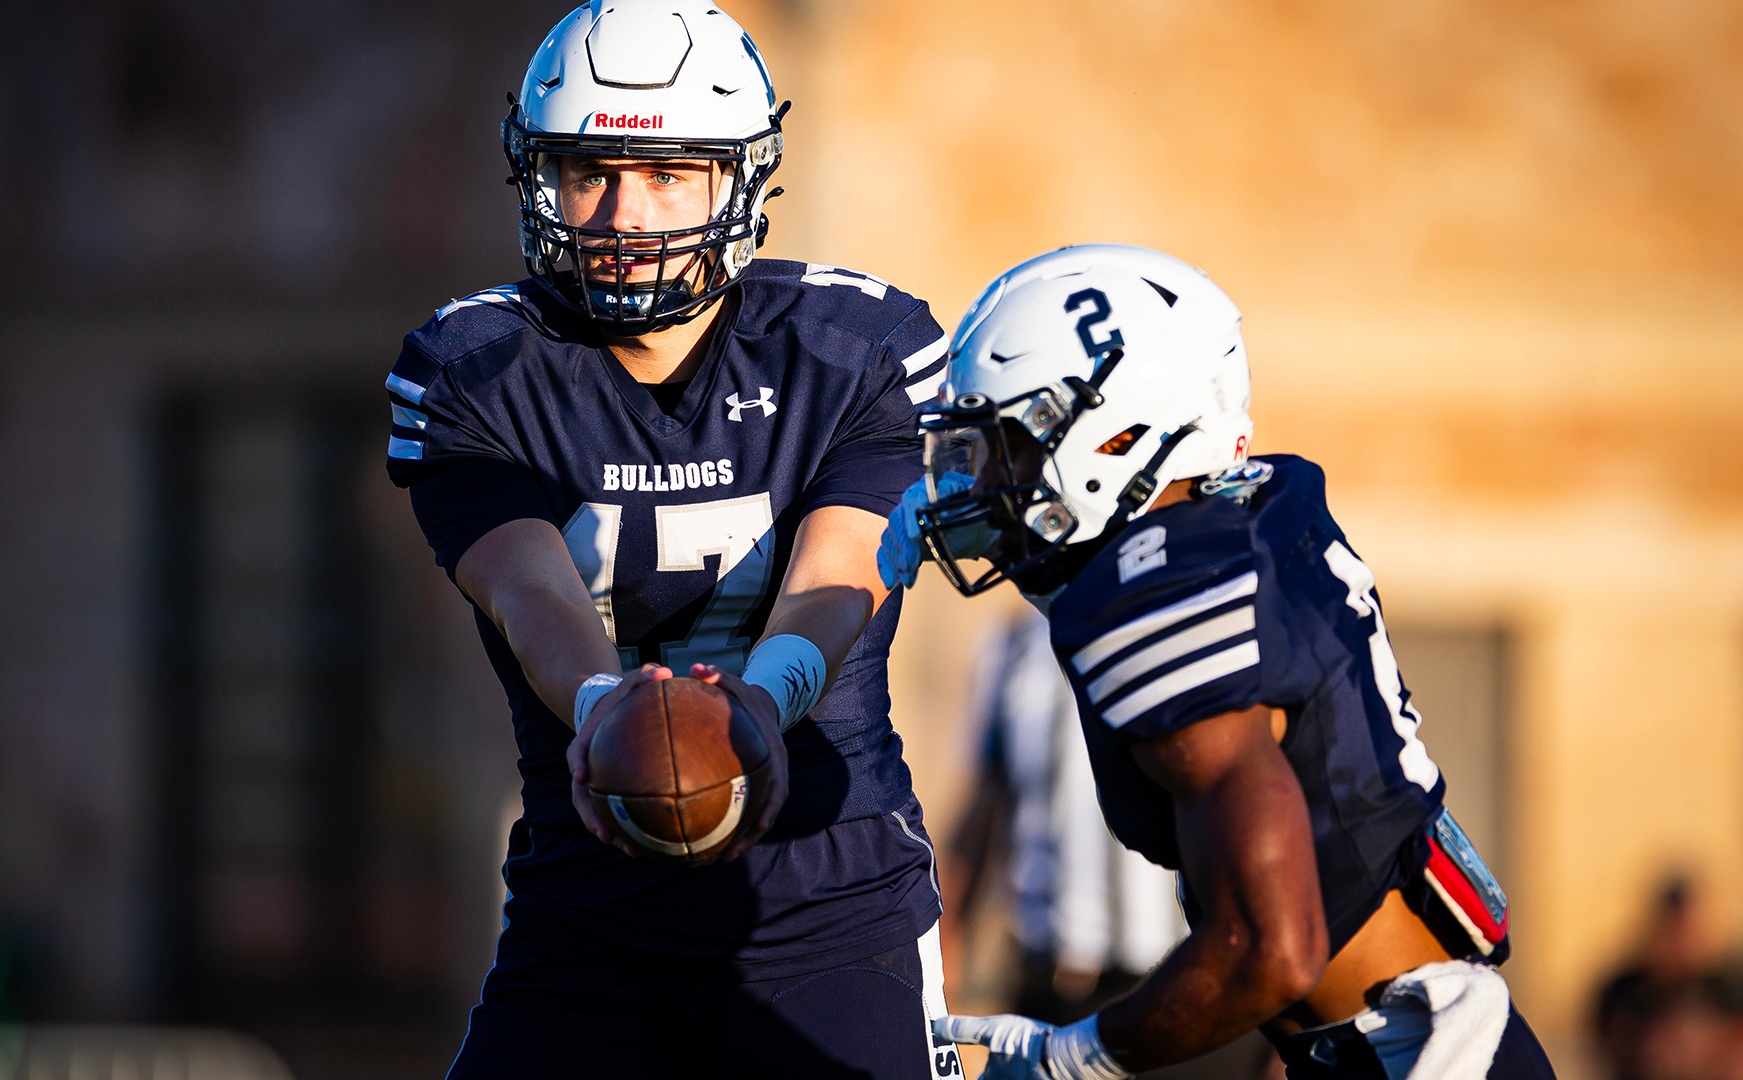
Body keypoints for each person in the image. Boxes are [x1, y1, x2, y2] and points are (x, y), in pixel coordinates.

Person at [383, 3, 955, 1077]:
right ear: (538, 177)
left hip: (832, 910)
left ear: (741, 180)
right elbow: (530, 594)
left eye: (667, 173)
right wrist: (611, 710)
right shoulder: (476, 367)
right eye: (588, 173)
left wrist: (756, 707)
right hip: (587, 918)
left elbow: (840, 577)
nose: (622, 214)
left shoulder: (852, 350)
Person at [878, 244, 1556, 1079]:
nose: (986, 480)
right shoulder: (1245, 514)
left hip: (1400, 1055)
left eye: (1011, 445)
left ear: (1114, 435)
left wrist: (1071, 1059)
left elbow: (1270, 950)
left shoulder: (1161, 597)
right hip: (1413, 1034)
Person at [945, 608, 1185, 1024]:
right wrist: (944, 952)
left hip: (1186, 982)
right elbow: (984, 808)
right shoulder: (1014, 644)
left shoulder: (1188, 622)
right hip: (1052, 986)